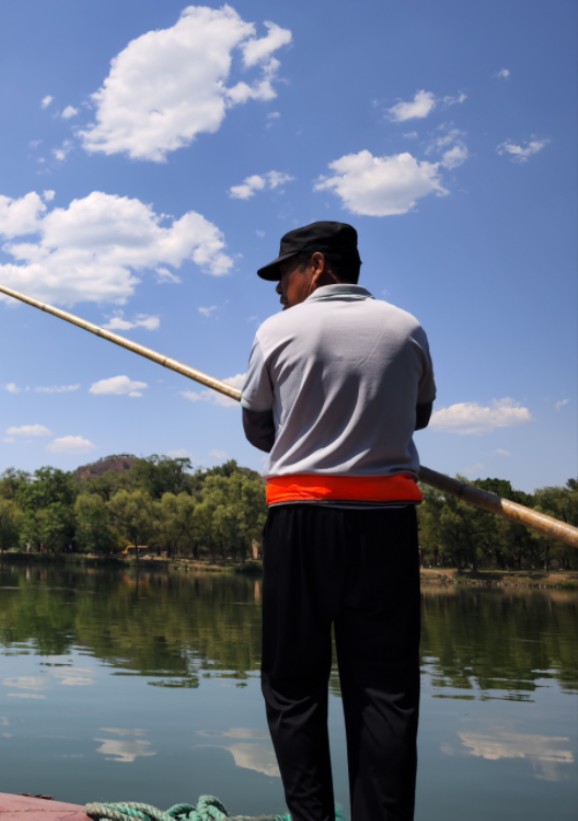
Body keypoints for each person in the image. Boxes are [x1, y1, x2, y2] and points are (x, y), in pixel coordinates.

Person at [240, 222, 436, 821]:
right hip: (387, 526)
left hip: (302, 521)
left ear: (318, 265)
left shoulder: (279, 330)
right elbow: (419, 416)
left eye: (285, 274)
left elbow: (257, 429)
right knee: (385, 692)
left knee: (293, 687)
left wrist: (308, 423)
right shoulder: (408, 329)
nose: (279, 289)